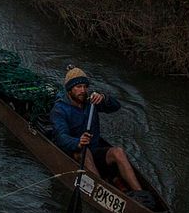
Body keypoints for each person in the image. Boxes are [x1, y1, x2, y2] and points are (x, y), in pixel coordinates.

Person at [50, 67, 144, 195]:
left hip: (94, 149)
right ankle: (102, 189)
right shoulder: (59, 109)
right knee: (85, 151)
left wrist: (104, 98)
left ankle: (140, 194)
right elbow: (61, 137)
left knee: (118, 152)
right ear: (69, 90)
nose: (83, 90)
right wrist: (78, 142)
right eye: (78, 87)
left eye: (85, 86)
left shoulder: (91, 101)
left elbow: (115, 107)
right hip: (74, 152)